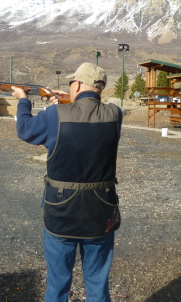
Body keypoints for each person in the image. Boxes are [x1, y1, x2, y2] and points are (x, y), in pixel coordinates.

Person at [11, 62, 122, 302]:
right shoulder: (115, 115)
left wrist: (22, 99)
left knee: (58, 286)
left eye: (72, 82)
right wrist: (70, 102)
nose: (70, 86)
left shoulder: (55, 115)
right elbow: (87, 116)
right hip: (101, 209)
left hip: (61, 210)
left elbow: (24, 129)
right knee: (98, 287)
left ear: (79, 84)